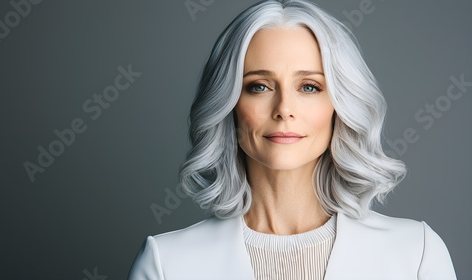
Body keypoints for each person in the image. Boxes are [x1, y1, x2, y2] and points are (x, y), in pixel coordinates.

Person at [128, 0, 457, 279]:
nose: (284, 109)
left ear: (339, 106)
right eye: (259, 86)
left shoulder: (416, 255)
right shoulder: (167, 264)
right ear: (228, 105)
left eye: (309, 87)